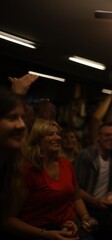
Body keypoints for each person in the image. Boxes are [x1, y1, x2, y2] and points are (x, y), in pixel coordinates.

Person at [4, 119, 96, 240]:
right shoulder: (28, 170)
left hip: (70, 226)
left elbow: (76, 197)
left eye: (58, 134)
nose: (57, 137)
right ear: (38, 140)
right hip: (40, 232)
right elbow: (8, 220)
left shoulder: (66, 164)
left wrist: (85, 218)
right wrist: (45, 234)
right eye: (51, 134)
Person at [75, 123, 112, 240]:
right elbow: (76, 189)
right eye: (107, 135)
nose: (110, 138)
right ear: (99, 137)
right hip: (86, 205)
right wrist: (95, 201)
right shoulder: (86, 155)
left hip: (106, 205)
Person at [0, 74, 38, 228]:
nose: (22, 125)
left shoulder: (9, 162)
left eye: (22, 117)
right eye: (12, 117)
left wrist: (18, 95)